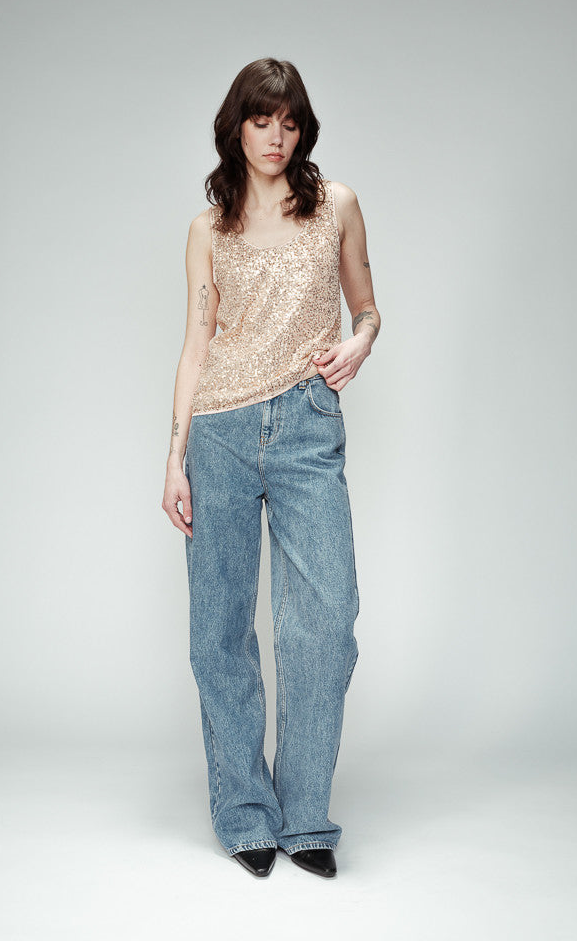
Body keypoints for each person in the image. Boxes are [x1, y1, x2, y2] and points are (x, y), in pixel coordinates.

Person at [162, 58, 381, 879]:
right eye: (262, 120)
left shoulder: (336, 206)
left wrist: (361, 341)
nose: (276, 136)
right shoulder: (207, 229)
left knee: (325, 619)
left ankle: (306, 816)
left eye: (289, 122)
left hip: (306, 424)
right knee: (219, 628)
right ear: (237, 127)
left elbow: (368, 307)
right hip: (217, 430)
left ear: (303, 130)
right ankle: (245, 811)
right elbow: (195, 346)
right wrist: (174, 456)